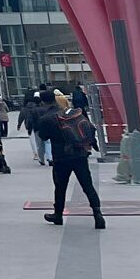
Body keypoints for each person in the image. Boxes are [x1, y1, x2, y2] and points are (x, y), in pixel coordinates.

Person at [36, 90, 105, 229]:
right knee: (87, 185)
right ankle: (98, 214)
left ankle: (58, 215)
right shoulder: (70, 113)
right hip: (80, 155)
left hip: (61, 158)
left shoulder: (47, 118)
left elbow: (43, 137)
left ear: (42, 101)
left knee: (60, 187)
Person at [18, 93, 50, 166]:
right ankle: (49, 157)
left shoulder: (26, 108)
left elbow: (24, 117)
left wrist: (19, 125)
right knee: (47, 142)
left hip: (34, 127)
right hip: (44, 127)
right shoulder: (45, 108)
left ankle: (38, 156)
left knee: (37, 143)